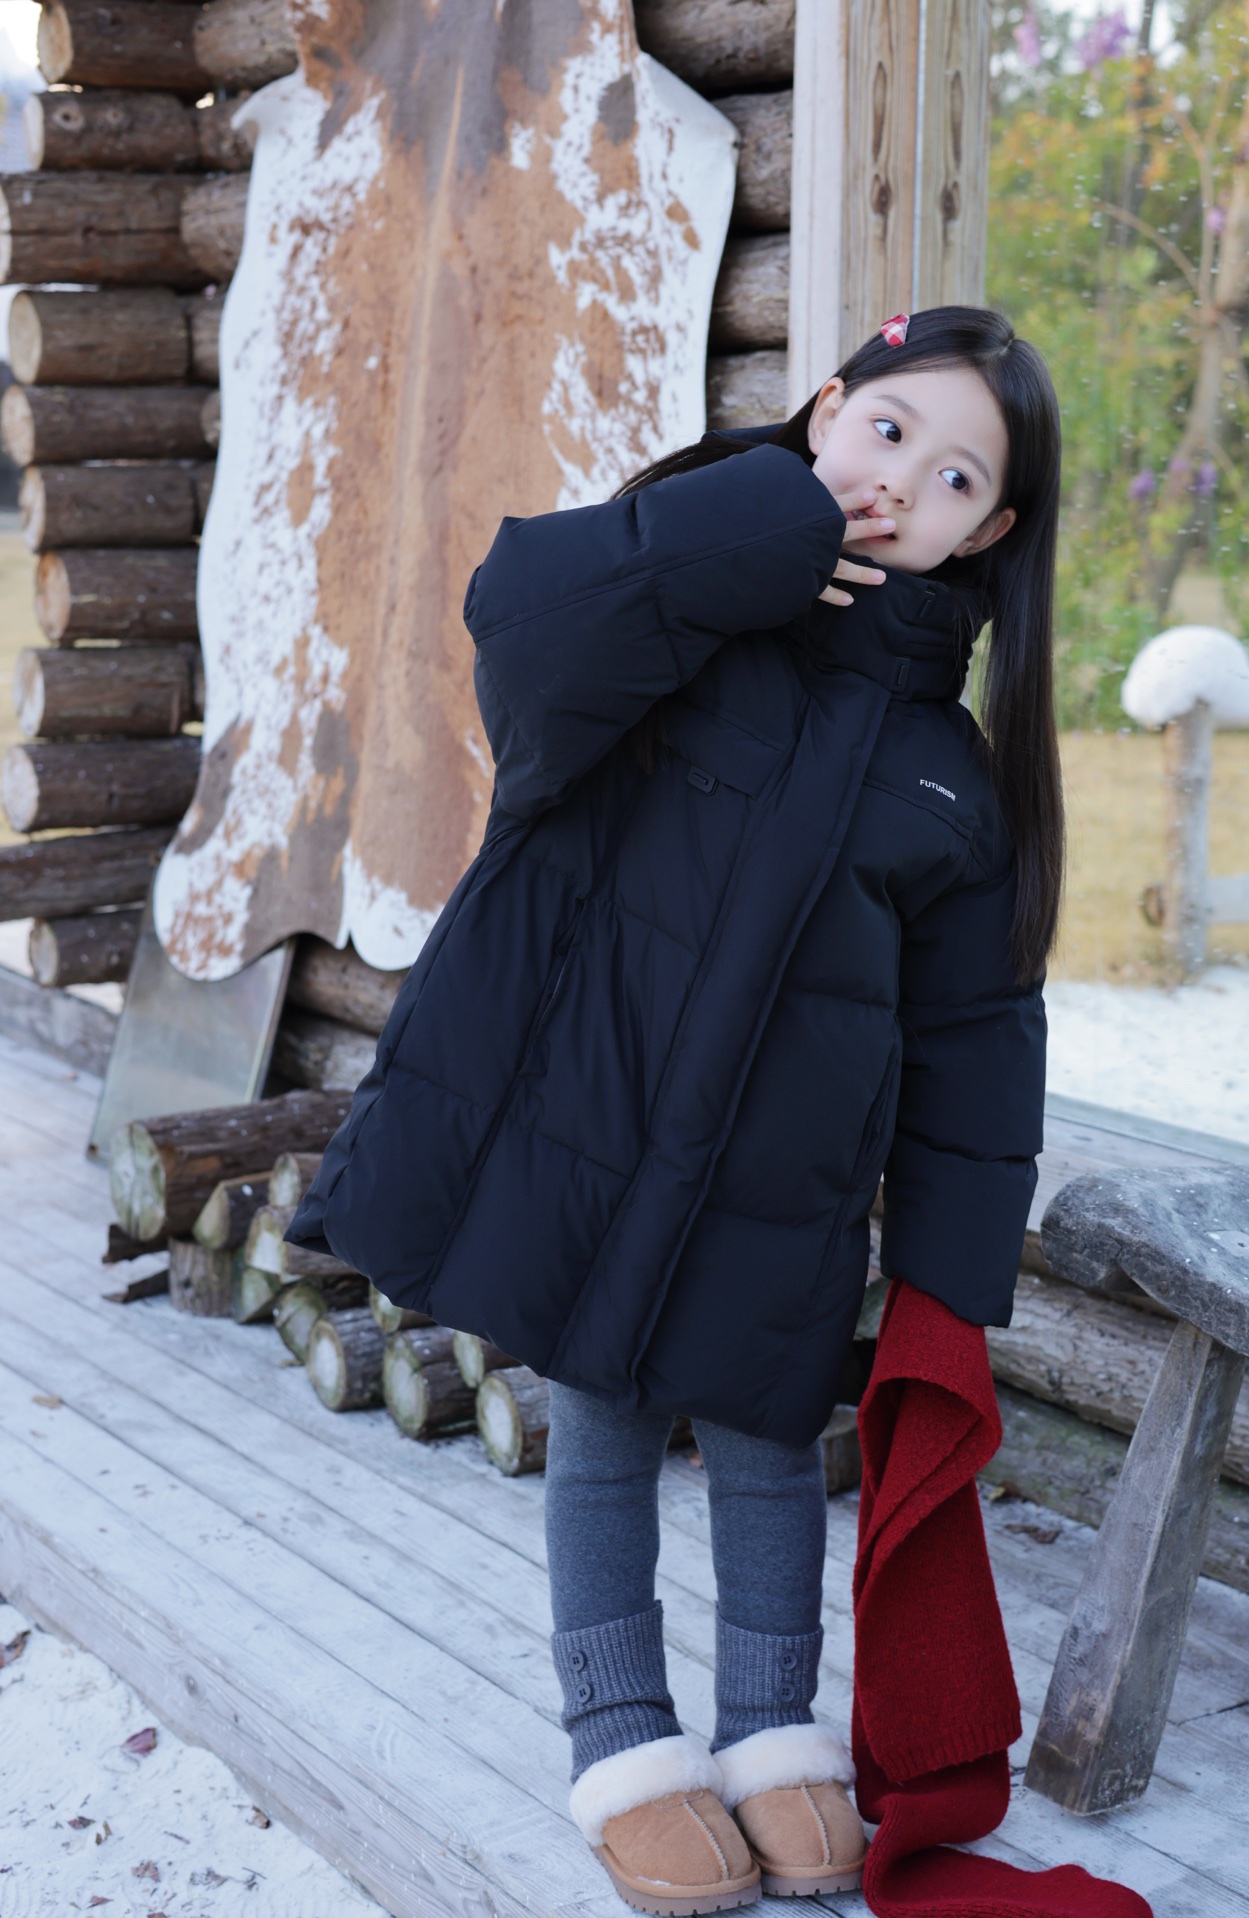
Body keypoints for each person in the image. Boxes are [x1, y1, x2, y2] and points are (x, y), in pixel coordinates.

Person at [289, 305, 1063, 1912]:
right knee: (604, 1430)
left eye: (955, 476)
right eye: (889, 429)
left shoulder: (949, 777)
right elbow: (526, 617)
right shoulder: (686, 627)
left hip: (787, 1192)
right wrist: (757, 524)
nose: (901, 481)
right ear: (825, 412)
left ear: (988, 532)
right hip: (601, 1131)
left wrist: (950, 1274)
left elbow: (977, 1040)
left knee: (774, 1445)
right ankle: (624, 1743)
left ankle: (774, 1735)